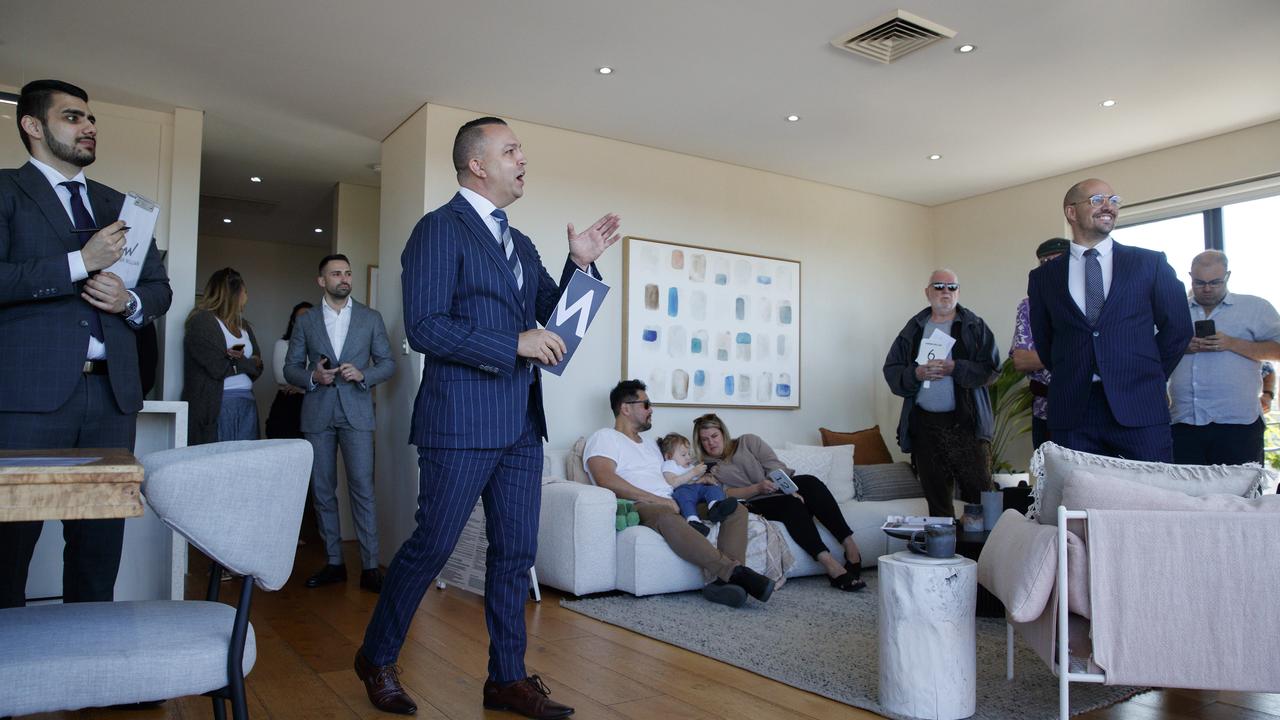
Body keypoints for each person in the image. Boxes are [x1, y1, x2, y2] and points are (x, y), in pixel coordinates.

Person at [355, 116, 621, 720]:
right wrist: (513, 345)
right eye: (511, 150)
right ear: (477, 164)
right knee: (434, 545)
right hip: (460, 422)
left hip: (522, 426)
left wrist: (579, 266)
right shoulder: (437, 231)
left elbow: (553, 328)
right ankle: (376, 657)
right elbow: (424, 327)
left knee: (513, 554)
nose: (523, 158)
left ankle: (505, 680)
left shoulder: (521, 245)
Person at [0, 79, 172, 608]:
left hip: (111, 399)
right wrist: (81, 263)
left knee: (100, 547)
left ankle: (92, 672)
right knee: (8, 549)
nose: (89, 126)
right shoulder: (6, 191)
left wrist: (128, 302)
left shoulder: (123, 205)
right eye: (73, 118)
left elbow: (159, 289)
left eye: (91, 119)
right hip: (28, 400)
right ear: (32, 126)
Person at [1028, 179, 1192, 461]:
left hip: (1139, 404)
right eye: (1097, 200)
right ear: (1071, 212)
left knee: (1153, 497)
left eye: (1113, 200)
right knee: (1080, 499)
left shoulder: (1149, 264)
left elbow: (1177, 329)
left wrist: (1147, 374)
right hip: (1074, 409)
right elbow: (1046, 341)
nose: (1109, 206)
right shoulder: (1044, 277)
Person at [586, 381, 774, 607]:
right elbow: (605, 479)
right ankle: (735, 573)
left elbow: (672, 475)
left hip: (676, 497)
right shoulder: (604, 437)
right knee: (667, 515)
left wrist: (698, 481)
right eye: (646, 404)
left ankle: (724, 586)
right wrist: (657, 499)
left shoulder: (651, 445)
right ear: (626, 408)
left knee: (735, 508)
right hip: (641, 504)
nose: (651, 409)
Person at [285, 254, 395, 593]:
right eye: (336, 274)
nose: (344, 278)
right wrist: (313, 377)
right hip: (318, 412)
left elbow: (388, 363)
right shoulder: (306, 321)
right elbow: (290, 369)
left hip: (357, 413)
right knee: (322, 490)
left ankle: (369, 567)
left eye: (348, 272)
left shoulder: (370, 318)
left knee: (363, 489)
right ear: (322, 281)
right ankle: (334, 562)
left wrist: (364, 374)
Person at [693, 413, 867, 592]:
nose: (711, 443)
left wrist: (789, 489)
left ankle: (851, 549)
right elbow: (724, 493)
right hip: (754, 502)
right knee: (791, 505)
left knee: (810, 482)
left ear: (723, 433)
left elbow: (774, 465)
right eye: (704, 440)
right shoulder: (706, 468)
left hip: (776, 487)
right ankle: (831, 565)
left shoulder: (748, 442)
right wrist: (758, 488)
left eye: (714, 436)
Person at [883, 270, 999, 518]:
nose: (945, 291)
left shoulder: (974, 326)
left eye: (952, 286)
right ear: (927, 292)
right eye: (938, 286)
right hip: (925, 425)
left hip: (966, 424)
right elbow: (892, 371)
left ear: (958, 291)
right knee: (936, 498)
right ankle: (944, 554)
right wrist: (916, 374)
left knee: (979, 495)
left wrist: (955, 368)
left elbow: (992, 369)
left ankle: (982, 555)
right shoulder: (914, 328)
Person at [1168, 251, 1280, 465]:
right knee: (1186, 496)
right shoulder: (1174, 310)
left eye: (1215, 282)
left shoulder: (1255, 308)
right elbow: (1151, 352)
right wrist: (1181, 347)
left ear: (1228, 276)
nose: (1207, 288)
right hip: (1184, 422)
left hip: (1238, 424)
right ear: (1190, 276)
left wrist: (1232, 343)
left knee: (1241, 496)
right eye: (1200, 283)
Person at [183, 268, 263, 445]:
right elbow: (217, 368)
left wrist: (235, 361)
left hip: (247, 403)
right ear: (235, 293)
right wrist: (245, 363)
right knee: (218, 463)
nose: (247, 297)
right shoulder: (202, 322)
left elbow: (259, 366)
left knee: (246, 463)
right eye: (246, 292)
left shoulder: (244, 326)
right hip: (216, 405)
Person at [1010, 238, 1069, 449]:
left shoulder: (1091, 301)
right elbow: (1021, 360)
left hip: (1087, 411)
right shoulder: (1028, 306)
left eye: (1058, 260)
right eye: (1044, 262)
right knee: (1047, 478)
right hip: (1044, 411)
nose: (1051, 267)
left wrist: (1042, 356)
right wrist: (1068, 353)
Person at [657, 432, 737, 536]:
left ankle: (716, 507)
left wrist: (704, 479)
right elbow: (673, 482)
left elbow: (694, 482)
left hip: (697, 488)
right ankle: (693, 521)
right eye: (683, 454)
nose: (688, 458)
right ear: (668, 456)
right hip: (683, 490)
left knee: (713, 489)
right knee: (685, 499)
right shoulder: (669, 464)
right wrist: (694, 472)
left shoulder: (689, 466)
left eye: (689, 453)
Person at [264, 301, 313, 440]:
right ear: (293, 322)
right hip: (288, 404)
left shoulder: (321, 349)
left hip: (312, 406)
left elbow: (325, 378)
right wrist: (311, 381)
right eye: (300, 319)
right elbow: (282, 377)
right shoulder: (283, 344)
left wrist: (302, 388)